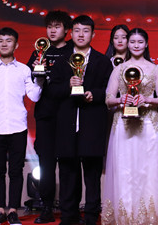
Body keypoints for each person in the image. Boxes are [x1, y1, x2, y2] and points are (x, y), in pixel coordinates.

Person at [102, 28, 158, 225]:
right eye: (132, 41)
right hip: (123, 124)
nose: (136, 45)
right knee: (124, 170)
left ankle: (150, 218)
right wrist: (121, 99)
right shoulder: (118, 69)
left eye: (140, 42)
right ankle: (125, 218)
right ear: (127, 43)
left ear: (146, 44)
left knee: (148, 171)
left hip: (148, 125)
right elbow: (108, 99)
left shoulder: (155, 69)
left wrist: (147, 99)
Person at [48, 15, 113, 225]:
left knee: (92, 175)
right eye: (77, 30)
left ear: (93, 34)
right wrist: (67, 85)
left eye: (85, 31)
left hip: (92, 124)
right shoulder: (61, 60)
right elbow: (52, 91)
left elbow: (110, 90)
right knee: (68, 173)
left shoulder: (102, 61)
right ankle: (69, 216)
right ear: (71, 33)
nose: (81, 35)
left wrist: (95, 94)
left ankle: (91, 216)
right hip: (66, 126)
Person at [0, 27, 44, 225]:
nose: (4, 44)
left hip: (18, 127)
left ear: (16, 44)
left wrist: (40, 78)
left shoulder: (24, 70)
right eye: (1, 40)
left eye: (8, 40)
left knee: (16, 171)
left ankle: (13, 210)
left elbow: (34, 96)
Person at [26, 11, 73, 223]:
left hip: (67, 114)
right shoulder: (39, 50)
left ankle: (69, 209)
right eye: (50, 26)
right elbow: (30, 81)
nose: (52, 31)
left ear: (66, 30)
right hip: (45, 116)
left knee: (68, 165)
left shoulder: (74, 51)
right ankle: (46, 207)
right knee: (46, 165)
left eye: (57, 26)